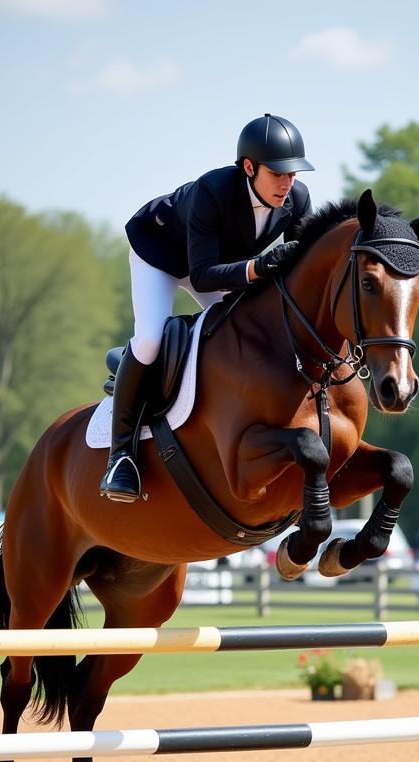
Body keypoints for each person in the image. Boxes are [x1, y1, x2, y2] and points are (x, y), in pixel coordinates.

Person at [99, 113, 315, 502]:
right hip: (162, 256)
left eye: (293, 174)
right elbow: (200, 276)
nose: (288, 183)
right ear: (249, 167)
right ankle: (120, 456)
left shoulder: (296, 200)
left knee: (245, 333)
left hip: (220, 265)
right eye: (278, 173)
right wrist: (255, 268)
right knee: (150, 340)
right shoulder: (212, 191)